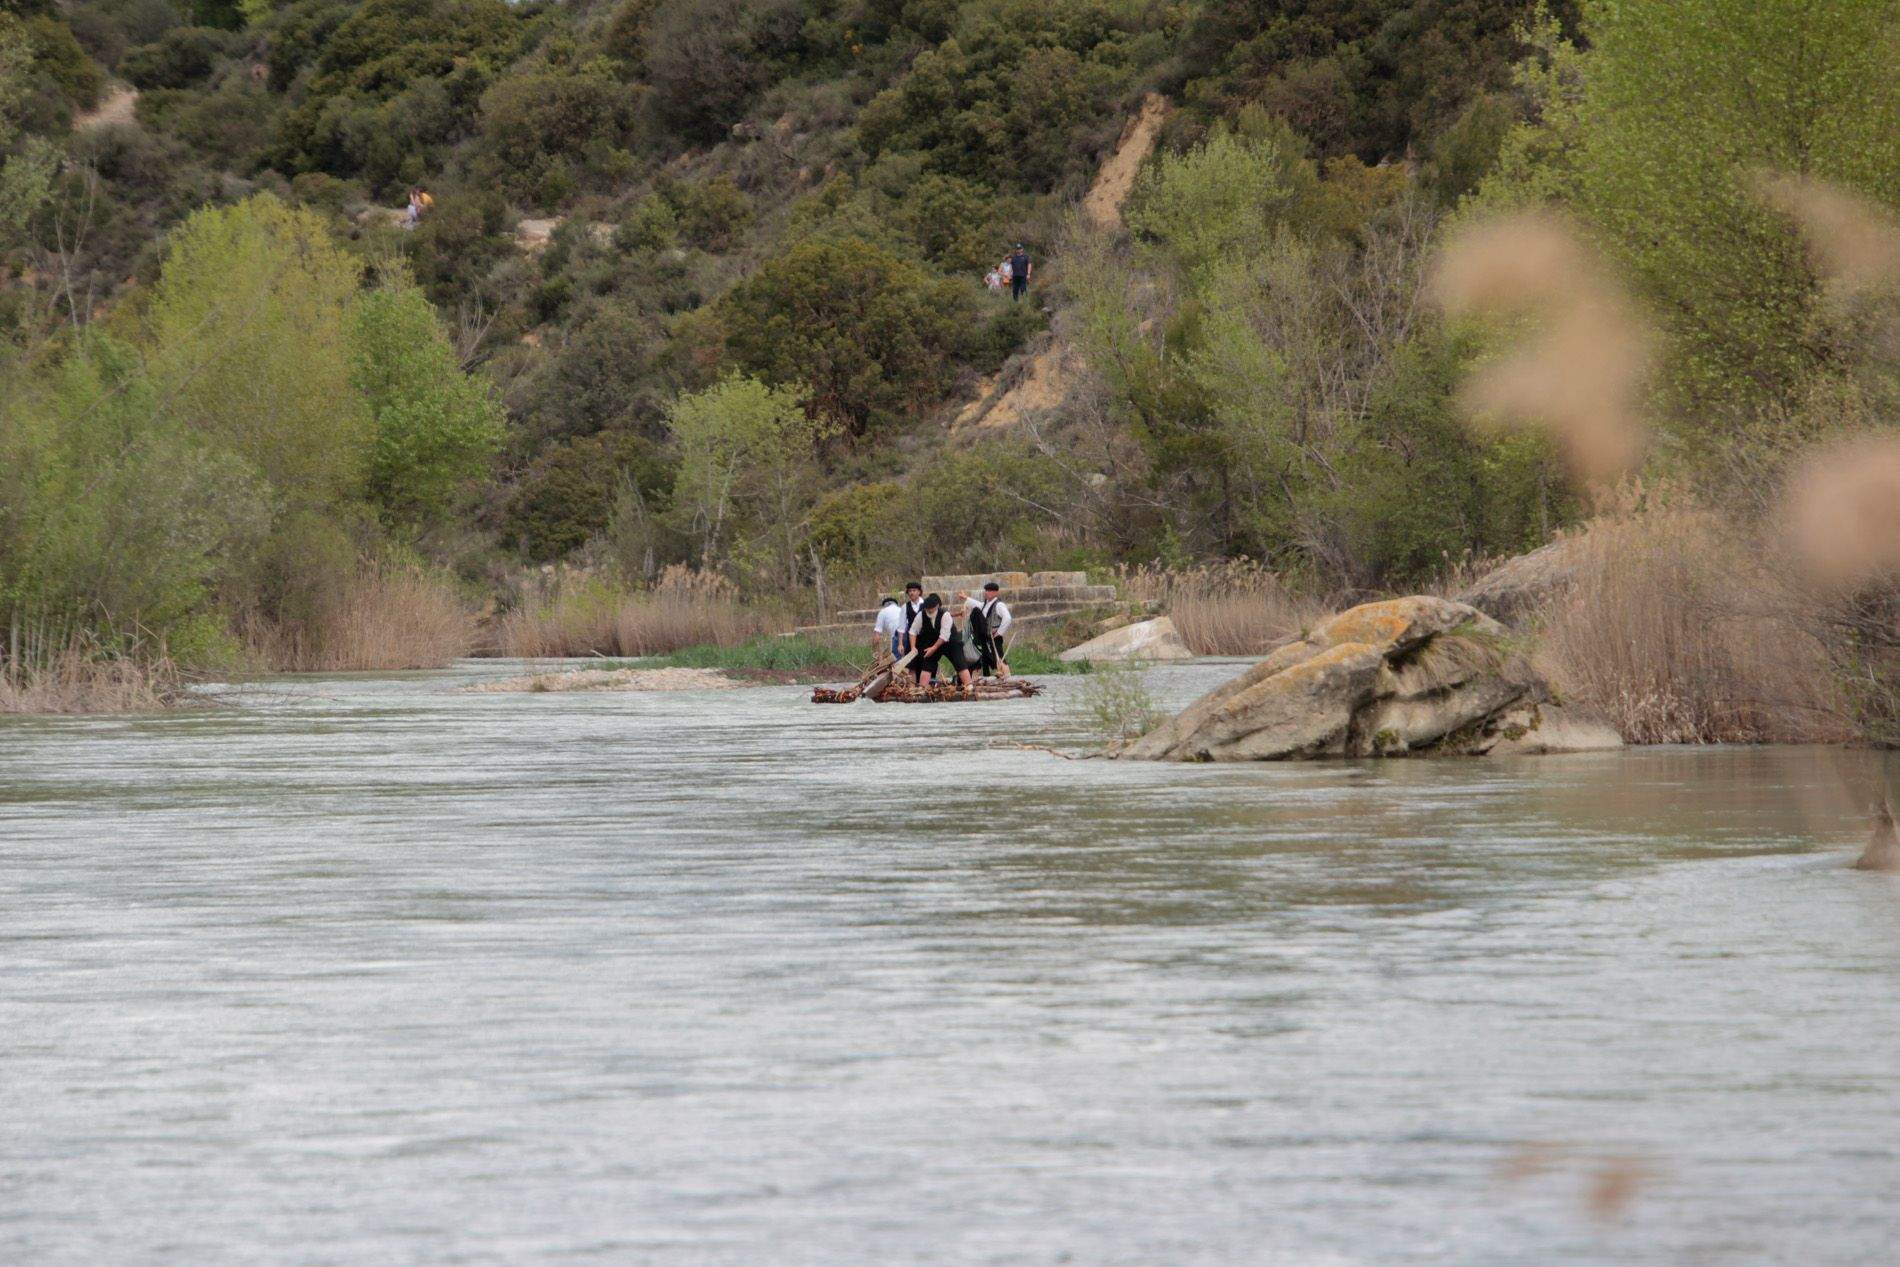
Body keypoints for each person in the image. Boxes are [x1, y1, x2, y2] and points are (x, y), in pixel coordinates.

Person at [957, 580, 1013, 677]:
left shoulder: (999, 605)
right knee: (985, 657)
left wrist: (999, 632)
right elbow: (977, 604)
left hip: (994, 636)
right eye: (986, 590)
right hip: (985, 636)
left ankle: (1006, 676)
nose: (986, 592)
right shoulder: (986, 604)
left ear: (995, 592)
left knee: (999, 656)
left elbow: (1007, 618)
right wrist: (966, 598)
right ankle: (986, 676)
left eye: (989, 591)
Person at [909, 593, 951, 685]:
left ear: (937, 606)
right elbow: (913, 631)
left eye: (931, 609)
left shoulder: (945, 615)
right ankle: (918, 687)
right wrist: (913, 647)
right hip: (924, 643)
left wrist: (934, 647)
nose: (929, 611)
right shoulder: (921, 615)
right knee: (917, 665)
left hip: (944, 642)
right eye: (927, 609)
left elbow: (944, 636)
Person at [898, 581, 925, 656]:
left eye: (914, 590)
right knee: (911, 661)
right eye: (910, 591)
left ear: (919, 592)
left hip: (925, 638)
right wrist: (900, 644)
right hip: (911, 639)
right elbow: (901, 627)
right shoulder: (905, 607)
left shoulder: (926, 604)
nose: (911, 593)